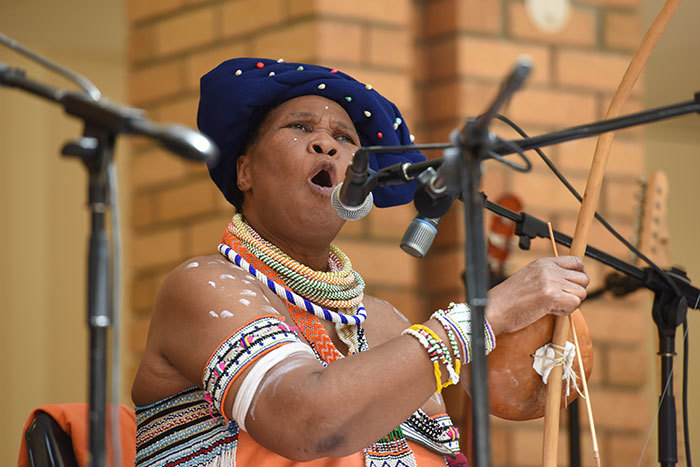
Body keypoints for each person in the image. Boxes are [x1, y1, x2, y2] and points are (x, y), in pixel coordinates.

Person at [131, 58, 589, 466]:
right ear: (244, 170)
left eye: (343, 137)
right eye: (300, 127)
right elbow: (307, 422)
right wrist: (479, 319)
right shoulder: (205, 284)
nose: (325, 145)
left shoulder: (388, 322)